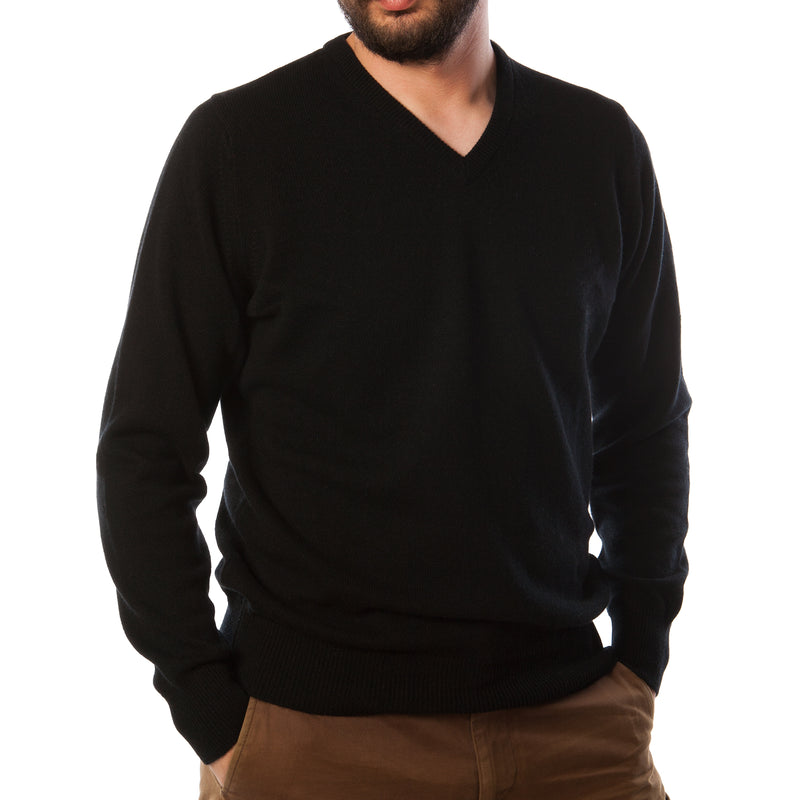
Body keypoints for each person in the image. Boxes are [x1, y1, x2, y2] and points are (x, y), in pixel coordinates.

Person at [96, 0, 691, 797]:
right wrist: (212, 714)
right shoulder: (240, 147)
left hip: (575, 729)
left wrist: (642, 656)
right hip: (314, 739)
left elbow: (645, 424)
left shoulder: (597, 147)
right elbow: (144, 451)